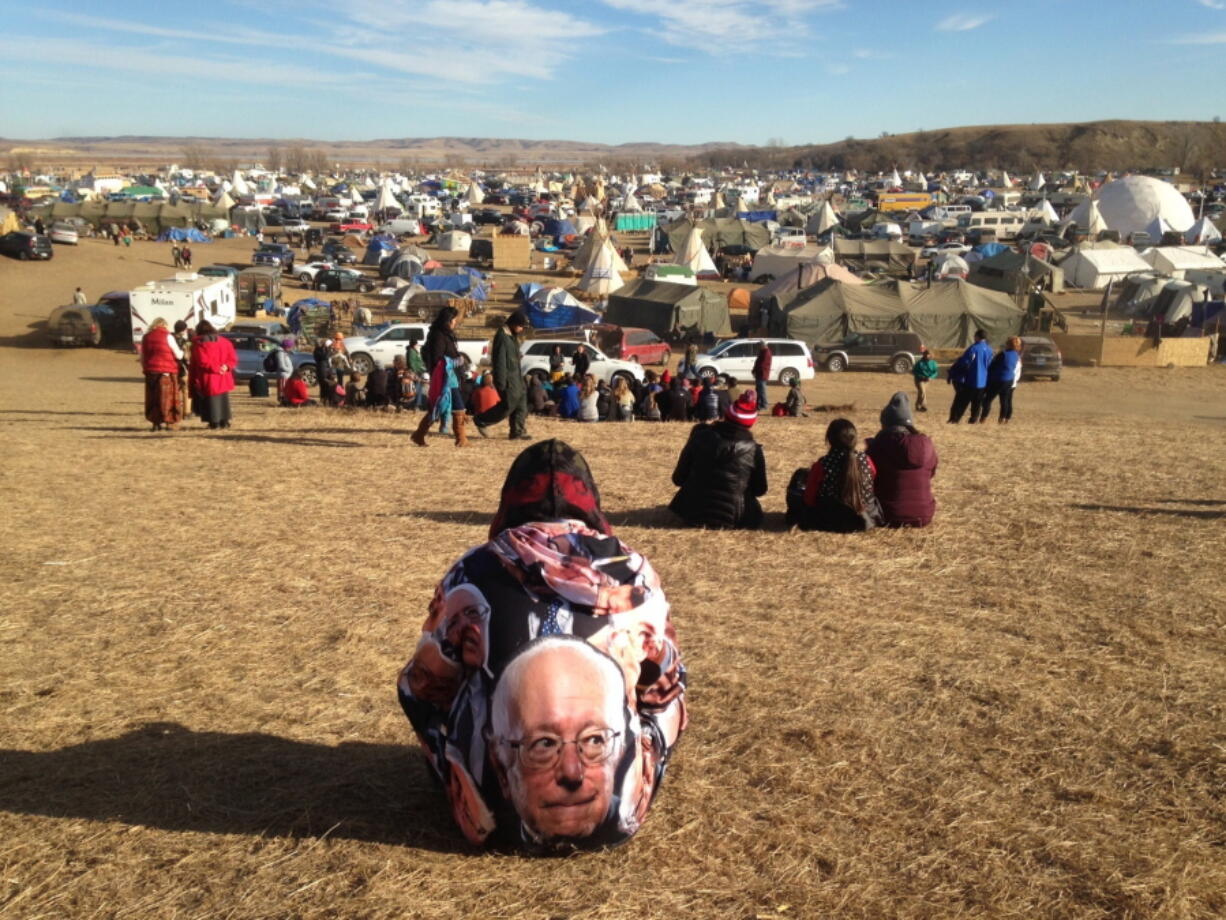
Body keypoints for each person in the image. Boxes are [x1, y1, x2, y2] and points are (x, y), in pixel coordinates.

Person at [396, 439, 686, 851]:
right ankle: (621, 782)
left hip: (492, 826)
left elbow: (419, 690)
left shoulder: (474, 569)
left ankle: (476, 782)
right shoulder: (633, 571)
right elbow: (666, 687)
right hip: (619, 823)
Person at [669, 391, 767, 529]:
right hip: (736, 517)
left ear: (726, 416)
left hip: (692, 512)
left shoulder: (699, 436)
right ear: (750, 424)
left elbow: (678, 479)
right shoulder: (754, 450)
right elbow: (760, 489)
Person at [794, 418, 883, 532]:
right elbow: (873, 480)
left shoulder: (823, 464)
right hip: (864, 519)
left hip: (830, 519)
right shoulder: (866, 460)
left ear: (829, 440)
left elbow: (809, 498)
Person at [866, 392, 938, 528]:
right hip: (924, 515)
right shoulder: (926, 444)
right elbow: (931, 474)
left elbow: (868, 477)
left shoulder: (878, 445)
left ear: (885, 423)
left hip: (887, 514)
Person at [412, 306, 469, 447]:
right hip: (445, 377)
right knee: (450, 407)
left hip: (451, 376)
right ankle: (461, 439)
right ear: (448, 320)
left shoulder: (446, 333)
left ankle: (419, 435)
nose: (455, 322)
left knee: (442, 407)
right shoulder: (438, 335)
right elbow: (438, 359)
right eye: (454, 320)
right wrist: (455, 361)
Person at [475, 310, 531, 440]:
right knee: (508, 405)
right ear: (513, 323)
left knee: (522, 404)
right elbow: (499, 361)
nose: (522, 329)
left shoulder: (512, 336)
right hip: (508, 379)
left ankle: (517, 431)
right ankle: (482, 420)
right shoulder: (502, 336)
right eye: (521, 326)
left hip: (517, 376)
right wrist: (500, 382)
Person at [188, 320, 236, 429]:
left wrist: (216, 368)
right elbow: (232, 358)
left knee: (211, 401)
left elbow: (202, 361)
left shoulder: (199, 344)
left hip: (209, 376)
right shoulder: (225, 342)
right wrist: (226, 367)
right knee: (223, 400)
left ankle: (214, 422)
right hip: (223, 376)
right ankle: (225, 421)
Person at [139, 318, 184, 431]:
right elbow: (178, 355)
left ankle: (155, 423)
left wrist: (146, 367)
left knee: (153, 398)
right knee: (167, 398)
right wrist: (183, 352)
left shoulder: (146, 337)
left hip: (151, 372)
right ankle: (169, 421)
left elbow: (142, 356)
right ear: (164, 325)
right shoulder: (168, 336)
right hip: (166, 372)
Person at [947, 329, 994, 424]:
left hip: (971, 379)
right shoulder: (989, 350)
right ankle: (973, 419)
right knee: (977, 402)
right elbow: (990, 364)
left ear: (977, 337)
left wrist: (955, 370)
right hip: (983, 380)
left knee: (962, 401)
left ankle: (955, 419)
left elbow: (965, 362)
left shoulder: (973, 348)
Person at [980, 336, 1022, 424]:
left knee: (988, 399)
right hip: (1009, 380)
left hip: (998, 379)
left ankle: (983, 418)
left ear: (1008, 344)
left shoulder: (1003, 354)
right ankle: (1002, 419)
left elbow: (992, 366)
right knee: (1004, 400)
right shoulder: (1016, 355)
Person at [912, 347, 938, 413]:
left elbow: (935, 372)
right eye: (926, 354)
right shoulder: (919, 363)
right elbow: (914, 371)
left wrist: (931, 377)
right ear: (923, 355)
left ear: (931, 355)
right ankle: (924, 406)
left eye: (929, 354)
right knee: (922, 391)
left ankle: (917, 406)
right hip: (919, 380)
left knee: (921, 393)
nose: (927, 355)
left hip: (927, 381)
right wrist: (922, 377)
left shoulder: (933, 363)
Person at [751, 341, 772, 412]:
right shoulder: (762, 352)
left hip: (762, 374)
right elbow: (757, 362)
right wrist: (754, 370)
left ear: (762, 345)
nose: (758, 347)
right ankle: (759, 405)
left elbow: (762, 364)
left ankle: (765, 405)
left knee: (762, 391)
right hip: (759, 374)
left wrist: (756, 370)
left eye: (759, 346)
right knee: (758, 391)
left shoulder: (766, 352)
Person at [272, 339, 294, 404]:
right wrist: (289, 370)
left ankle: (284, 400)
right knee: (282, 389)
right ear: (286, 347)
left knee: (285, 389)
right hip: (283, 374)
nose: (291, 348)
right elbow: (281, 365)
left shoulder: (283, 353)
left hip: (286, 374)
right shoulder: (280, 353)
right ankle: (282, 401)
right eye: (290, 347)